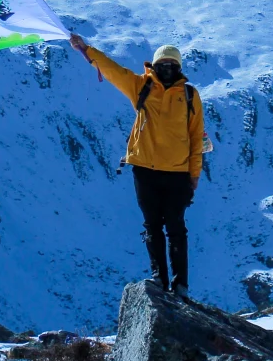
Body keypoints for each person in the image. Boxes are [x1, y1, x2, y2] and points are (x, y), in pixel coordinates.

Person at [70, 34, 204, 296]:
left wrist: (193, 175)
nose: (167, 69)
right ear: (154, 66)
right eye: (163, 65)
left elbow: (196, 137)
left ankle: (180, 284)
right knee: (153, 226)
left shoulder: (189, 95)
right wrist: (87, 50)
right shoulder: (141, 86)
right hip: (145, 170)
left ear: (179, 68)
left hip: (176, 173)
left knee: (175, 228)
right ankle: (160, 279)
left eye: (172, 65)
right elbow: (113, 71)